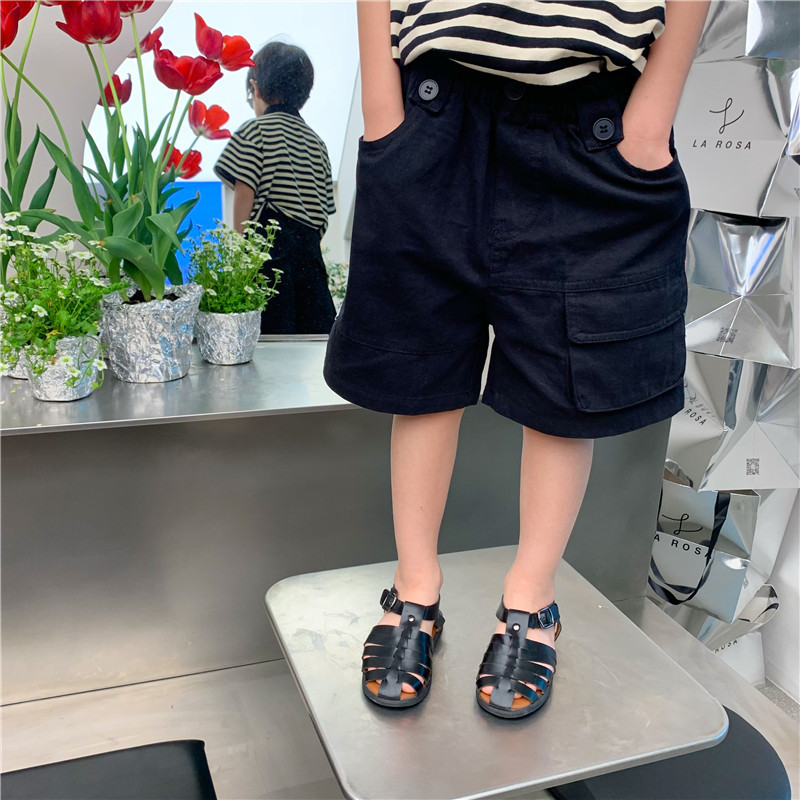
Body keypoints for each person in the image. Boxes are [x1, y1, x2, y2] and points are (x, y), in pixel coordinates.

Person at [323, 0, 711, 718]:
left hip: (596, 118)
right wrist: (382, 102)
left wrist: (651, 117)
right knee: (421, 373)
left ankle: (532, 601)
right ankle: (414, 589)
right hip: (431, 109)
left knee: (567, 387)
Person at [214, 41, 337, 335]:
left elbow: (244, 192)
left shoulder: (254, 131)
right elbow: (323, 214)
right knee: (313, 340)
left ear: (255, 88)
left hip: (269, 256)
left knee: (269, 341)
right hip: (311, 260)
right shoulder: (318, 144)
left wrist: (238, 253)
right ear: (304, 95)